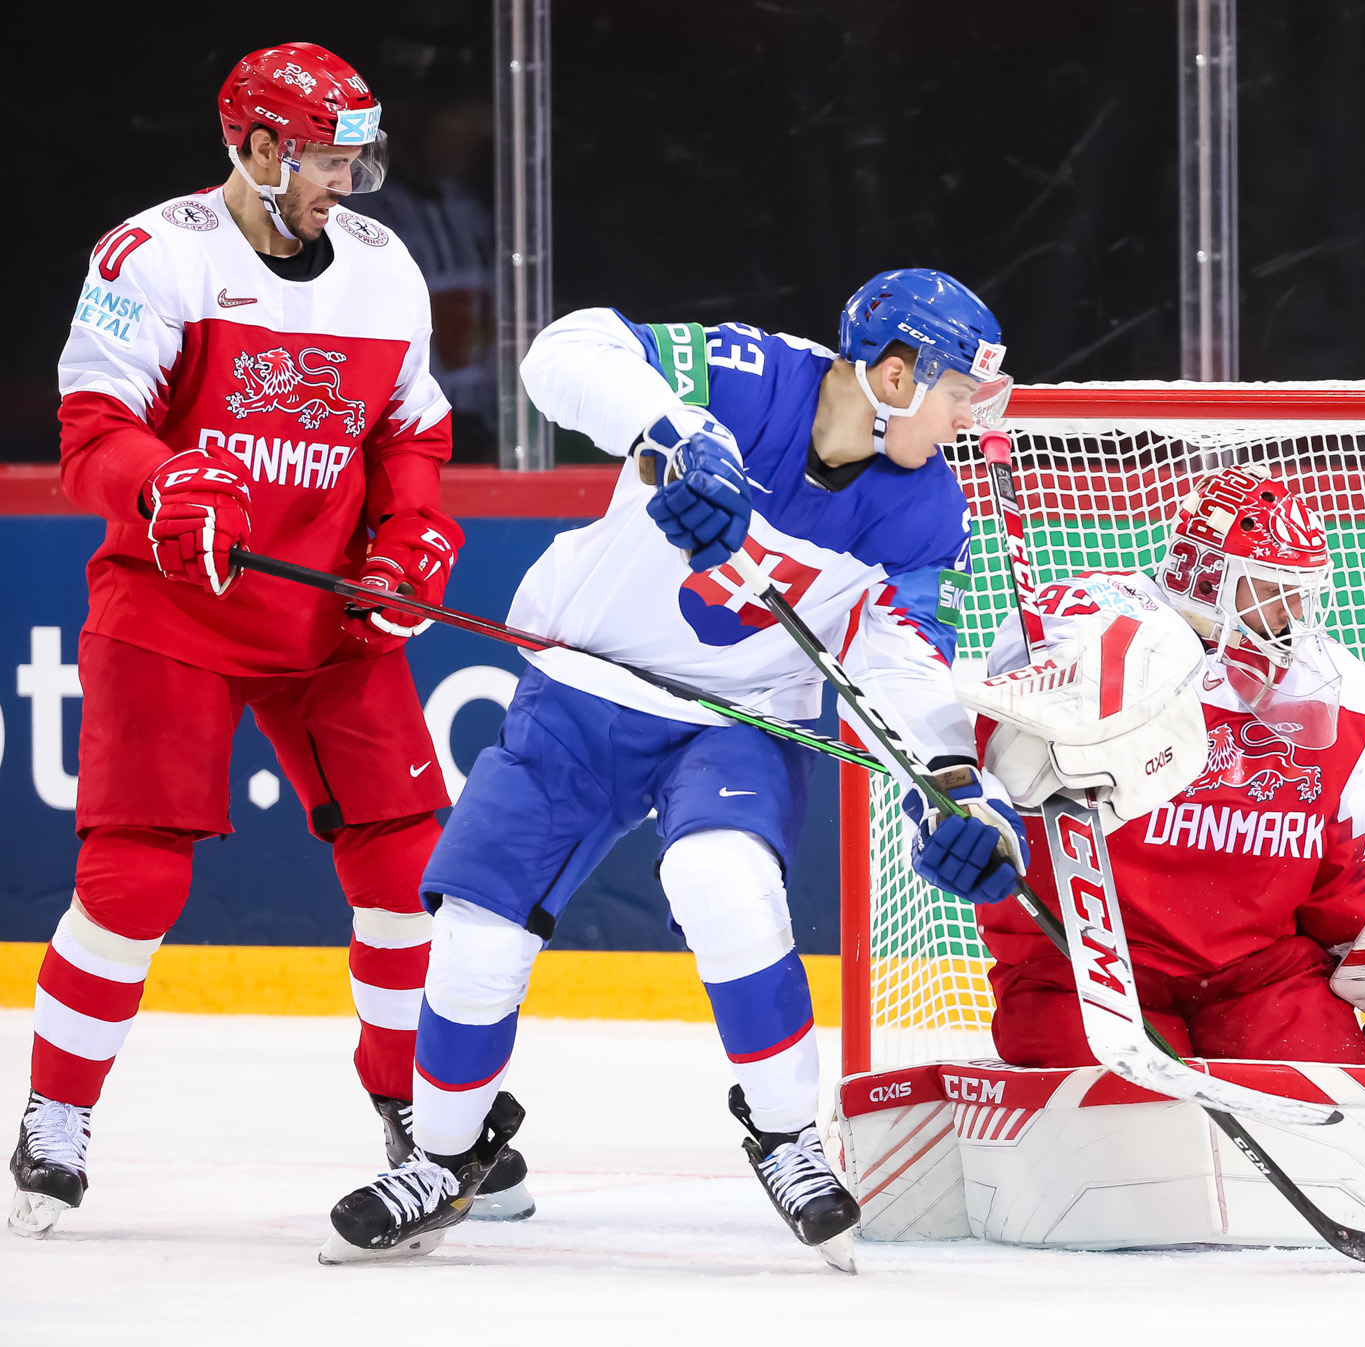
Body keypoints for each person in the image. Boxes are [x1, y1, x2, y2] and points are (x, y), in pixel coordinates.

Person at [319, 270, 1029, 1267]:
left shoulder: (921, 509)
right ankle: (442, 1156)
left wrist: (953, 782)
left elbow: (896, 653)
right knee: (477, 932)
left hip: (734, 721)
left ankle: (787, 1137)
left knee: (722, 882)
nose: (968, 420)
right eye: (960, 392)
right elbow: (558, 354)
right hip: (583, 689)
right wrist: (676, 434)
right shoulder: (747, 377)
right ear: (896, 373)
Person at [10, 43, 533, 1237]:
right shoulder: (150, 256)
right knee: (133, 880)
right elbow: (93, 436)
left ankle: (415, 1115)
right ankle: (56, 1110)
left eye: (358, 157)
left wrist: (414, 539)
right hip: (173, 610)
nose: (346, 182)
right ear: (252, 147)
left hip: (330, 614)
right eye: (325, 158)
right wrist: (170, 481)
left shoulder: (381, 265)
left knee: (411, 877)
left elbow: (411, 437)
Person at [970, 466, 1365, 1069]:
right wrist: (1069, 680)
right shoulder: (1084, 619)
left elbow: (1357, 868)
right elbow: (1006, 748)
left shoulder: (1333, 685)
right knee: (1127, 1121)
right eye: (1270, 587)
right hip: (1082, 960)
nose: (1292, 611)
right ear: (1206, 574)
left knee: (1326, 1103)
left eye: (1302, 590)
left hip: (1256, 974)